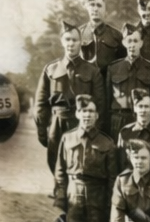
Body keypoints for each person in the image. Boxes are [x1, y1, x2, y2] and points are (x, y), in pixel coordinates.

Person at [52, 95, 118, 222]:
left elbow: (113, 177)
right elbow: (60, 171)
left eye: (91, 111)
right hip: (74, 190)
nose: (87, 115)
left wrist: (111, 202)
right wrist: (61, 198)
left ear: (97, 115)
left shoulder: (107, 143)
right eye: (84, 111)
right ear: (77, 114)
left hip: (98, 191)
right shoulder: (68, 138)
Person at [34, 20, 105, 173]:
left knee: (80, 162)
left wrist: (95, 129)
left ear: (81, 43)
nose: (71, 44)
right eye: (67, 39)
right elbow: (41, 103)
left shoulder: (92, 70)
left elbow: (100, 103)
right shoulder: (51, 69)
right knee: (55, 160)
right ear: (62, 41)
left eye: (75, 40)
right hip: (57, 122)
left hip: (82, 122)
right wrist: (42, 129)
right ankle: (60, 193)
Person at [107, 23, 150, 140]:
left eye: (135, 41)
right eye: (129, 41)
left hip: (143, 119)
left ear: (141, 43)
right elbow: (107, 99)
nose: (132, 45)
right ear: (124, 43)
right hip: (119, 120)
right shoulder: (114, 68)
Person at [116, 88, 150, 172]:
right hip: (131, 178)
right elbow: (121, 163)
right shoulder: (125, 133)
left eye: (146, 106)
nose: (143, 110)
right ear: (135, 108)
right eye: (140, 106)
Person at [80, 0, 125, 76]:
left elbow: (123, 65)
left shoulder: (116, 35)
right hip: (85, 85)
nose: (95, 9)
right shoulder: (79, 34)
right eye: (92, 5)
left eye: (99, 5)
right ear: (87, 8)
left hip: (107, 85)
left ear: (105, 10)